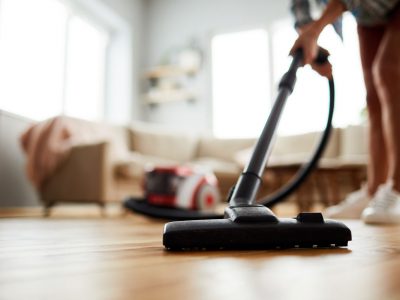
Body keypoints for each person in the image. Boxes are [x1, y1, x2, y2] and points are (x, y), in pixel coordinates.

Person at [290, 0, 400, 224]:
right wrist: (310, 38)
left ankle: (398, 188)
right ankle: (374, 189)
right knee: (373, 95)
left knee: (387, 71)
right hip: (370, 13)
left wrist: (315, 30)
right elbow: (300, 5)